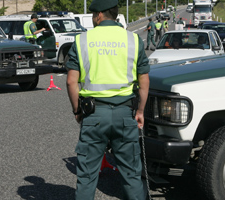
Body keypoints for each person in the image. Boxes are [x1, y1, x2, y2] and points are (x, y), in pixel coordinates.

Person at [65, 0, 150, 199]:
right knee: (131, 175)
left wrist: (77, 111)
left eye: (94, 15)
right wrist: (140, 112)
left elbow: (71, 82)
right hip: (124, 113)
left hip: (94, 114)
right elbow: (144, 82)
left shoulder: (82, 40)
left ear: (99, 15)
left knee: (87, 176)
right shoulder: (134, 40)